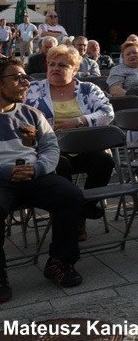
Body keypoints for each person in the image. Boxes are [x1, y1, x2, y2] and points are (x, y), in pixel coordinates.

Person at [0, 58, 85, 301]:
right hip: (1, 179)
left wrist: (37, 169)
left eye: (26, 77)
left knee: (70, 196)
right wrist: (7, 171)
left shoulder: (32, 113)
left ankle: (60, 262)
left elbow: (51, 148)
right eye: (17, 78)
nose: (26, 82)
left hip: (33, 174)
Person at [25, 45, 115, 240]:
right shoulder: (32, 90)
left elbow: (107, 113)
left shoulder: (88, 89)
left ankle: (83, 209)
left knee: (105, 161)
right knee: (60, 165)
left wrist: (78, 121)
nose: (55, 68)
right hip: (49, 151)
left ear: (75, 69)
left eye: (62, 65)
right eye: (51, 64)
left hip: (85, 148)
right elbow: (20, 117)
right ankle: (75, 218)